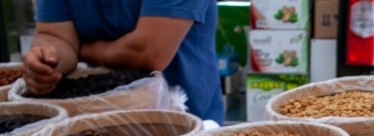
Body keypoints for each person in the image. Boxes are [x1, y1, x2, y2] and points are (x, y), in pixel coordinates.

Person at [21, 0, 224, 124]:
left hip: (184, 122)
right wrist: (47, 59)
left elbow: (149, 53)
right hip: (96, 124)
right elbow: (55, 36)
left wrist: (81, 49)